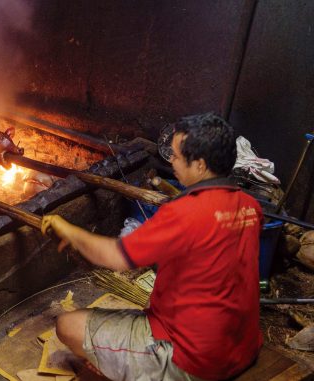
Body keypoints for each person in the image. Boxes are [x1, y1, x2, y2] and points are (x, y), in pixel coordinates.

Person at [41, 113, 262, 381]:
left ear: (201, 165)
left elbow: (116, 257)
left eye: (178, 156)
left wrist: (70, 231)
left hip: (196, 361)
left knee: (67, 326)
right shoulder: (251, 207)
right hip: (242, 347)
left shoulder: (185, 212)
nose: (171, 160)